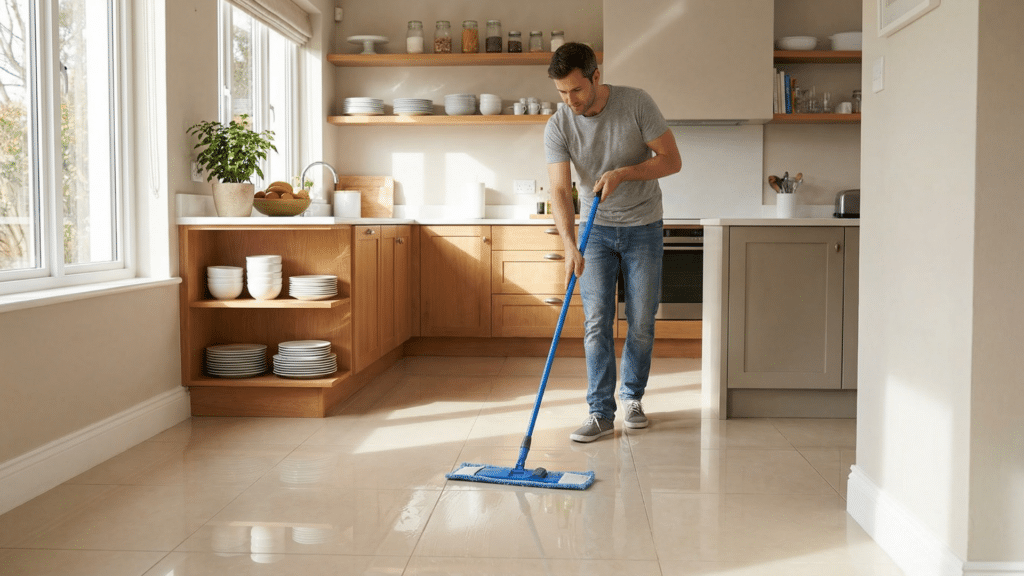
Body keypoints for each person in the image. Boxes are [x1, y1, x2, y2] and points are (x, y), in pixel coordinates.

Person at [543, 42, 682, 443]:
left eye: (577, 90)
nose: (570, 100)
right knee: (596, 322)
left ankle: (632, 398)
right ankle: (600, 412)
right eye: (562, 92)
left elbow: (671, 160)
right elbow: (559, 190)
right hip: (596, 231)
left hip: (643, 225)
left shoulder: (636, 104)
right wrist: (570, 245)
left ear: (596, 77)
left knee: (641, 320)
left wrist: (623, 173)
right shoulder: (559, 125)